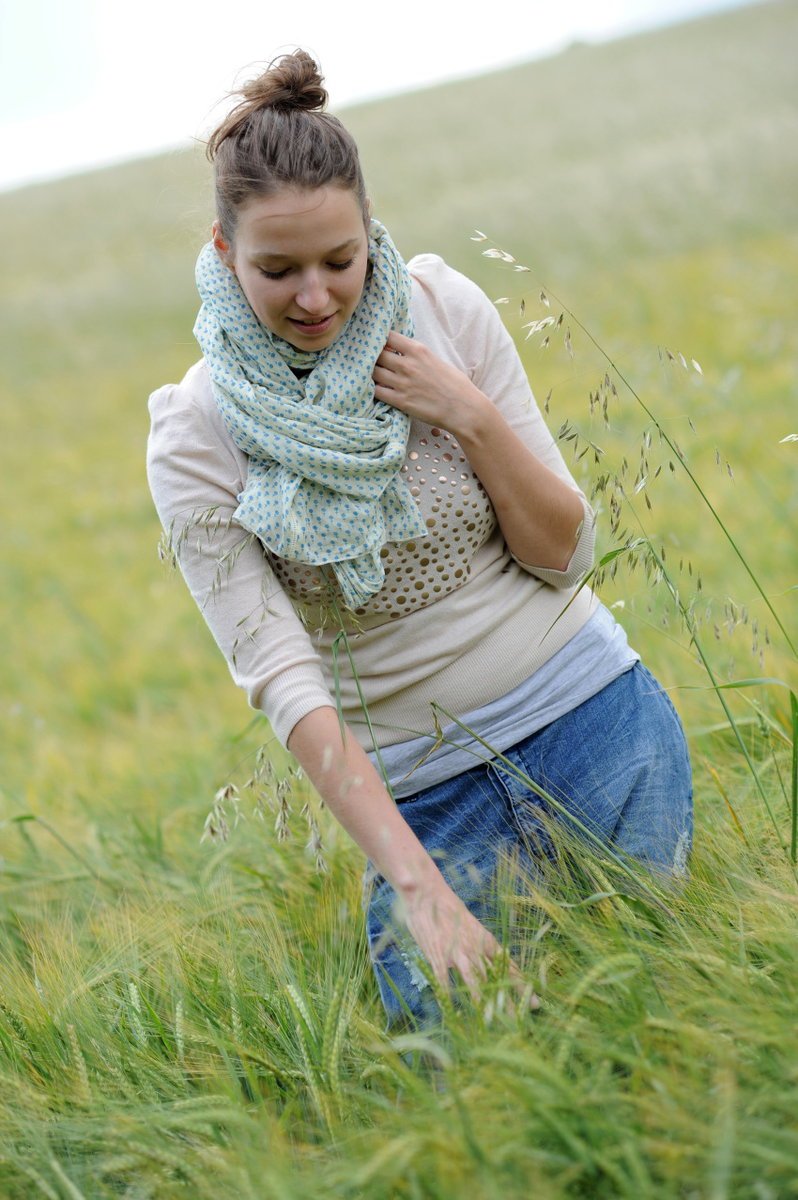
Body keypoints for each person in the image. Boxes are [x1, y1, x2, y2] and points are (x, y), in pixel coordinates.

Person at [147, 50, 693, 1027]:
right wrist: (417, 885)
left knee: (664, 1018)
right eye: (278, 269)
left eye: (339, 261)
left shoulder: (444, 308)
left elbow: (565, 555)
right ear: (225, 253)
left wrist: (472, 417)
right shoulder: (195, 433)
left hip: (596, 722)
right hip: (424, 798)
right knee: (463, 1065)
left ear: (369, 233)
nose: (315, 296)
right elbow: (282, 676)